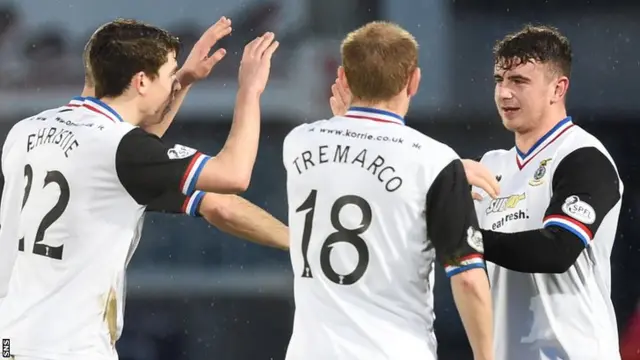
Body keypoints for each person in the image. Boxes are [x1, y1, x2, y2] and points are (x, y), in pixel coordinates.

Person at [0, 19, 279, 360]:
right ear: (142, 81)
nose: (172, 82)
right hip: (69, 346)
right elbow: (233, 175)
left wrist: (184, 80)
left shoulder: (26, 130)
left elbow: (133, 156)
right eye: (170, 74)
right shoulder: (119, 150)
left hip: (13, 336)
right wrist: (249, 91)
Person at [283, 21, 494, 360]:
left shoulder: (298, 143)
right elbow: (468, 279)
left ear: (344, 78)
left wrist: (343, 122)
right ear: (414, 81)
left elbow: (351, 166)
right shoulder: (435, 162)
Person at [470, 25, 622, 360]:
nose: (504, 93)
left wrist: (462, 238)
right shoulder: (489, 166)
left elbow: (557, 250)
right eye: (500, 80)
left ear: (558, 88)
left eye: (519, 81)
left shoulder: (582, 155)